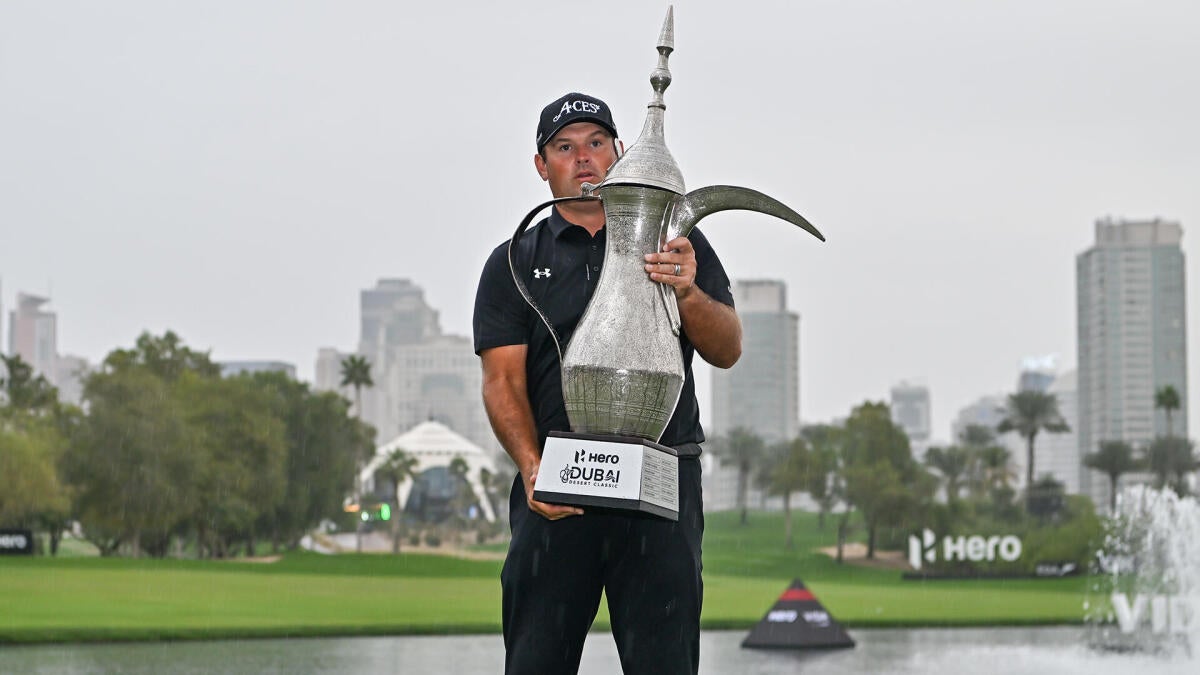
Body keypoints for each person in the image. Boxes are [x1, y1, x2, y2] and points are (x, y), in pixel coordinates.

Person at [472, 92, 741, 675]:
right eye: (564, 147)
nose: (583, 158)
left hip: (660, 482)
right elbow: (501, 381)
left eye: (596, 142)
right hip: (557, 488)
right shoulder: (514, 259)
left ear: (618, 152)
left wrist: (687, 291)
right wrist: (531, 469)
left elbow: (727, 350)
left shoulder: (674, 242)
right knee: (536, 662)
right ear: (542, 165)